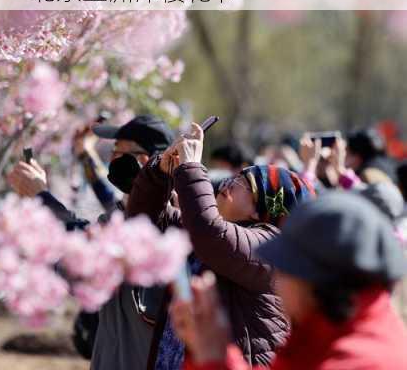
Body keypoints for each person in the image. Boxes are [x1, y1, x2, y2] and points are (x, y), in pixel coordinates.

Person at [127, 123, 315, 368]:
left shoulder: (272, 249)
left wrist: (191, 166)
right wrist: (160, 171)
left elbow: (210, 234)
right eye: (236, 176)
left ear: (264, 210)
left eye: (244, 183)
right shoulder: (201, 228)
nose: (229, 183)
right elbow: (144, 223)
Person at [7, 115, 176, 369]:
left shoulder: (159, 226)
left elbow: (87, 248)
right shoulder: (122, 214)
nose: (111, 159)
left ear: (143, 160)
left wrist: (41, 196)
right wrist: (84, 155)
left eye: (117, 151)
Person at [171, 192, 407, 370]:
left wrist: (213, 358)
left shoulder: (359, 361)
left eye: (284, 267)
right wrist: (215, 352)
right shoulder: (327, 326)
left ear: (315, 281)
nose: (278, 280)